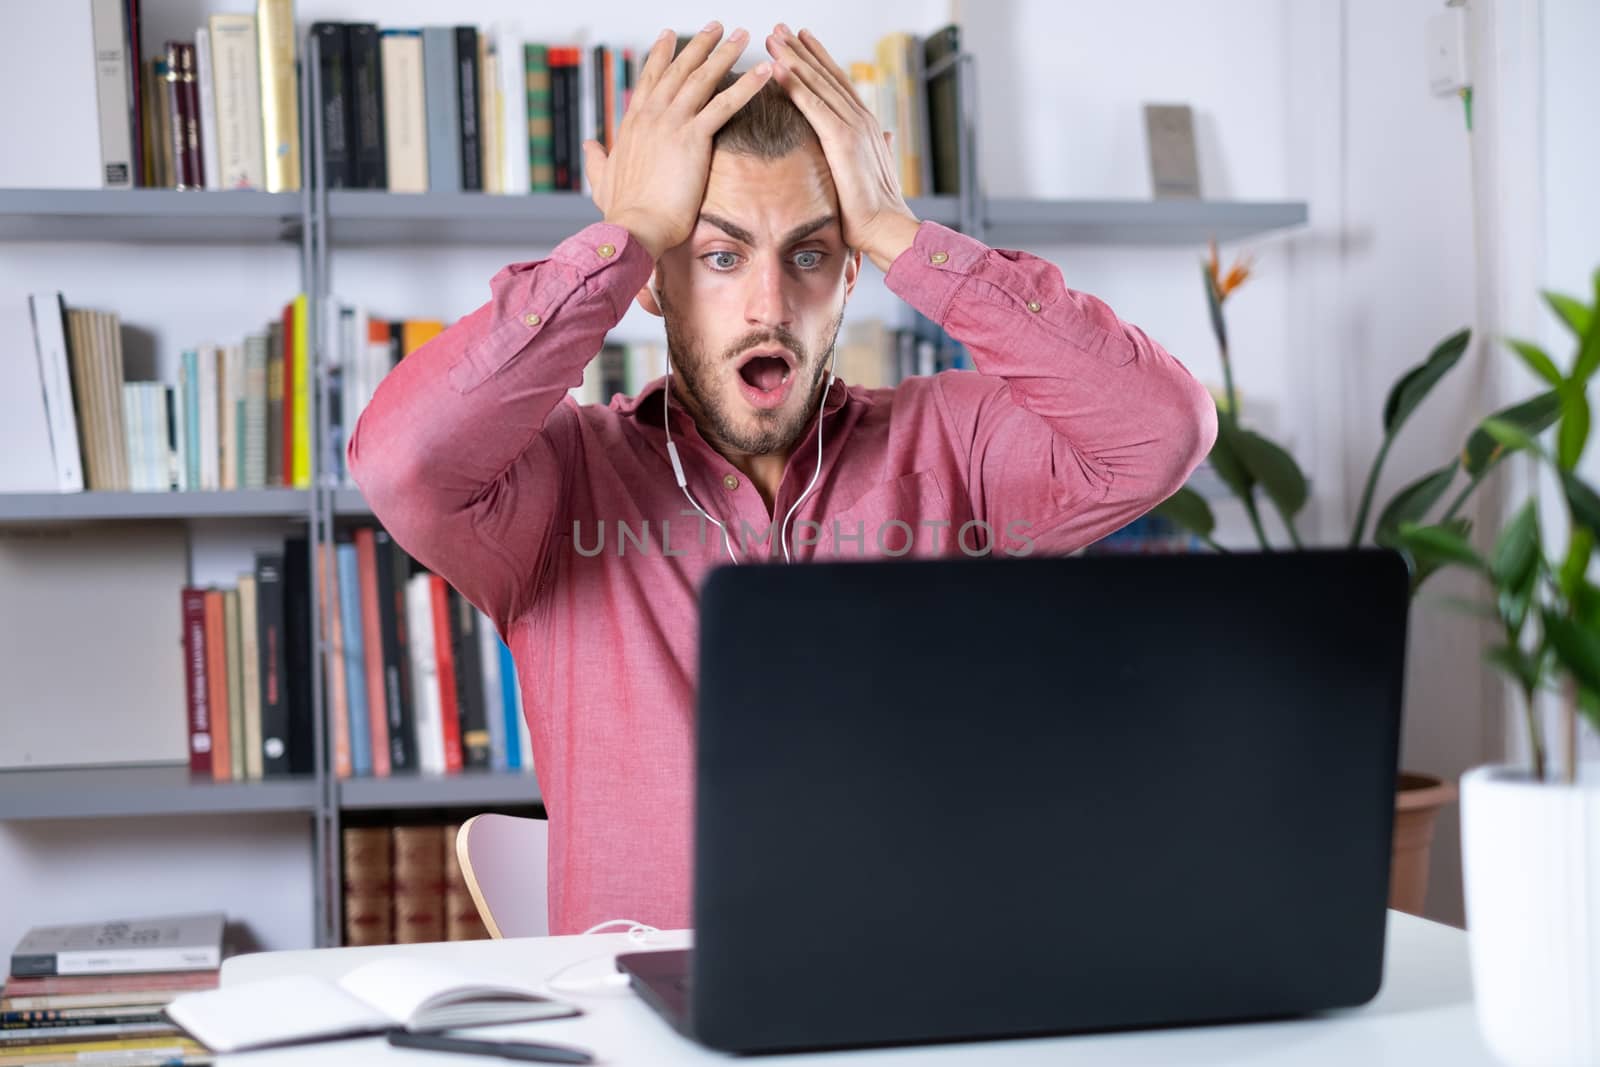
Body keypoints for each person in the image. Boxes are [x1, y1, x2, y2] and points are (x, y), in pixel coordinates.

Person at [348, 22, 1218, 935]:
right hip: (643, 1029)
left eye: (807, 255)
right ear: (655, 283)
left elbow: (1159, 431)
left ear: (849, 276)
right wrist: (629, 233)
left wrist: (896, 230)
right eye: (721, 256)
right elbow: (404, 463)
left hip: (908, 1012)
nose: (769, 305)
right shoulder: (558, 486)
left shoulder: (953, 446)